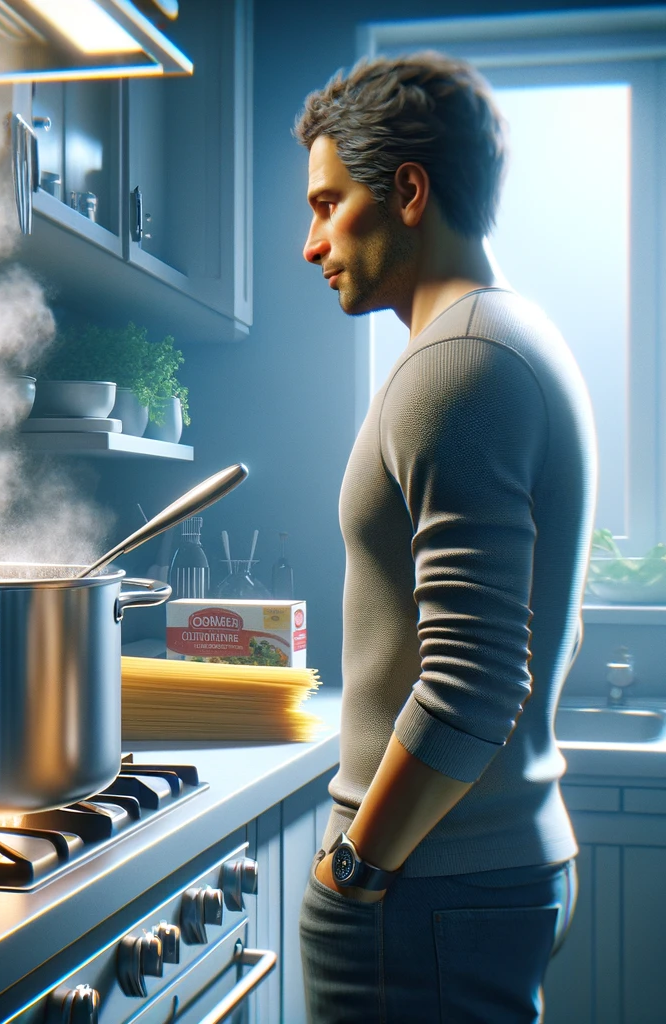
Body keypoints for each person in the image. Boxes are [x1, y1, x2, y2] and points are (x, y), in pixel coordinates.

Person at [294, 52, 596, 1022]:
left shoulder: (457, 364)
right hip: (473, 871)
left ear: (409, 191)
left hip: (428, 881)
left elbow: (472, 679)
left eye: (328, 203)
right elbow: (553, 626)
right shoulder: (511, 340)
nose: (313, 243)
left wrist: (356, 865)